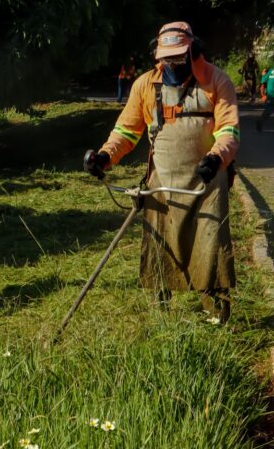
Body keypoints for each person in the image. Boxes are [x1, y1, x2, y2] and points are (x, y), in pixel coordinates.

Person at [87, 22, 240, 323]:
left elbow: (229, 131)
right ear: (157, 56)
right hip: (161, 182)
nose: (172, 64)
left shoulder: (217, 81)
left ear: (193, 51)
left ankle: (215, 316)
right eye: (166, 59)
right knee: (160, 247)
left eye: (179, 58)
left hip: (206, 184)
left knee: (210, 245)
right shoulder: (144, 85)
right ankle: (161, 317)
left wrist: (216, 157)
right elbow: (127, 132)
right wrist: (105, 156)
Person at [256, 67, 274, 132]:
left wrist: (262, 94)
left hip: (270, 94)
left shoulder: (270, 71)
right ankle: (260, 121)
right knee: (268, 111)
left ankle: (260, 121)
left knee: (268, 111)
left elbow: (263, 82)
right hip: (271, 95)